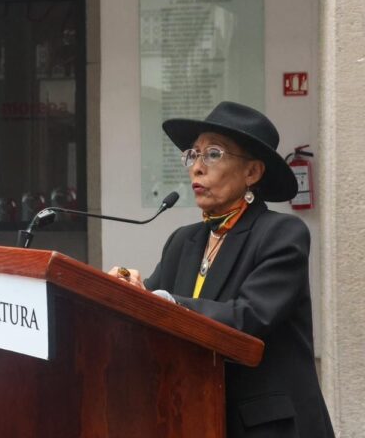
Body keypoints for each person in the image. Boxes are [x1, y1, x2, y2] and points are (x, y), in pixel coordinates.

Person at [110, 101, 334, 438]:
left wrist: (165, 302)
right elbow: (154, 308)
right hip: (194, 415)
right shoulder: (183, 241)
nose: (197, 168)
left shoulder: (281, 234)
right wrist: (129, 292)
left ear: (252, 173)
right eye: (193, 154)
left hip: (265, 426)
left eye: (213, 154)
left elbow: (249, 317)